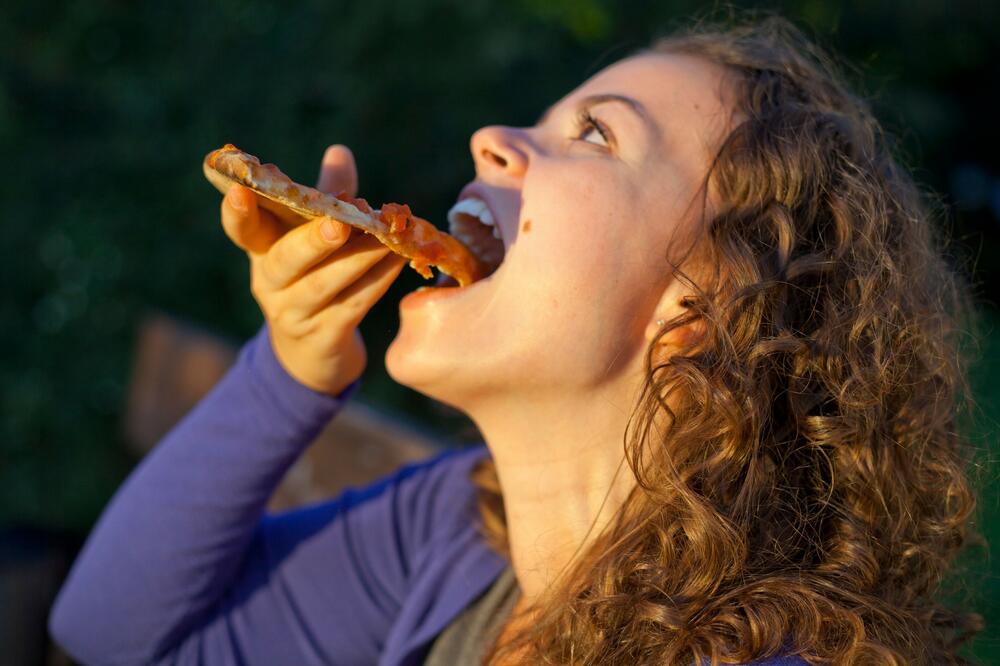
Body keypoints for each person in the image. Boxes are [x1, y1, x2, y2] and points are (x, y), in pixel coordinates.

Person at [48, 13, 982, 665]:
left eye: (594, 137)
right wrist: (288, 370)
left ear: (700, 313)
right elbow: (117, 636)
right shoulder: (460, 535)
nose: (491, 137)